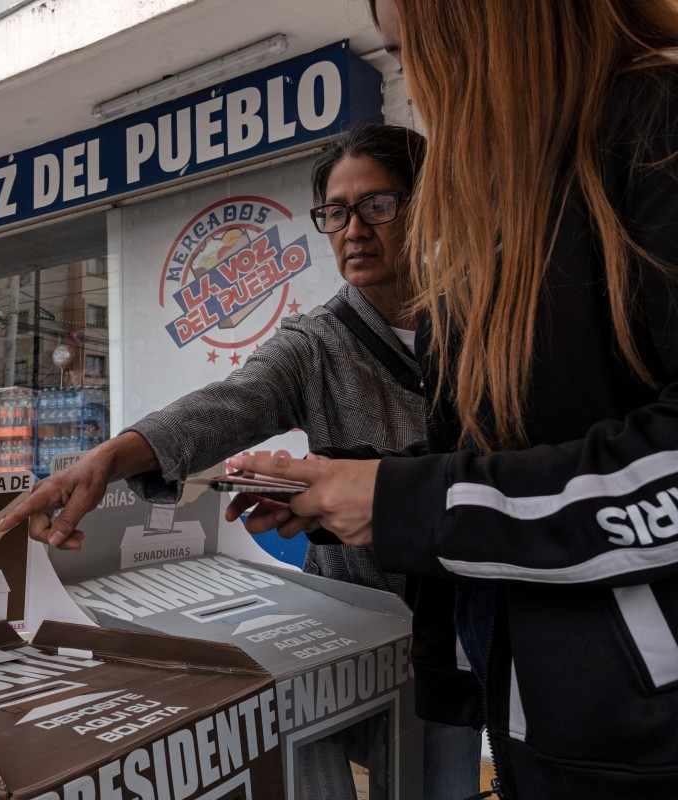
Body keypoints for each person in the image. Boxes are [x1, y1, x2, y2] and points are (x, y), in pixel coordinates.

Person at [232, 1, 678, 797]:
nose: (420, 93)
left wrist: (402, 502)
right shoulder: (518, 209)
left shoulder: (654, 130)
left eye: (417, 54)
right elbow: (508, 460)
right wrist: (351, 486)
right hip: (549, 719)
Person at [0, 122, 482, 799]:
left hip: (459, 627)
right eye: (336, 213)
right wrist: (109, 458)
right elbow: (228, 405)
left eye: (378, 204)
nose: (354, 230)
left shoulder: (484, 326)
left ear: (427, 203)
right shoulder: (315, 343)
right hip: (348, 619)